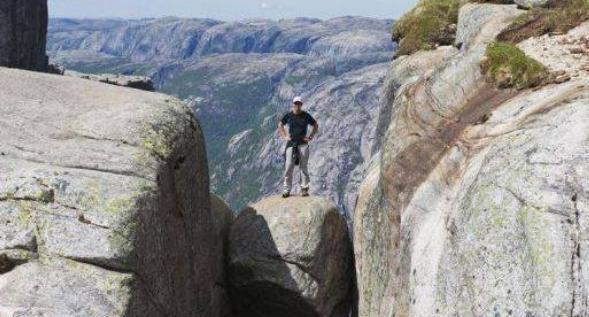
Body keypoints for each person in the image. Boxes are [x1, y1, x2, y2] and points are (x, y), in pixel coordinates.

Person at [278, 96, 319, 198]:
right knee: (288, 167)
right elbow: (280, 124)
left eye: (299, 103)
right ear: (293, 104)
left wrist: (310, 137)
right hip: (291, 145)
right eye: (296, 103)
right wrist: (284, 136)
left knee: (303, 167)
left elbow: (315, 125)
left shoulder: (305, 116)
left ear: (301, 104)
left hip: (303, 145)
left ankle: (304, 189)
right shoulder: (288, 115)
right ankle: (286, 189)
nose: (297, 105)